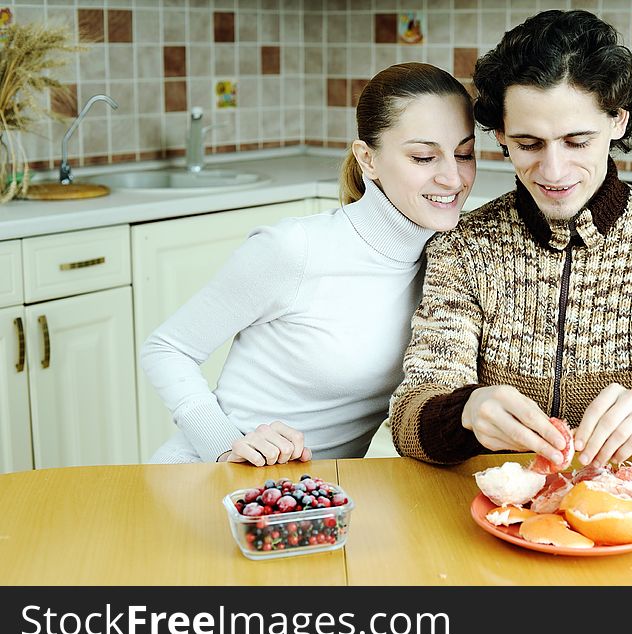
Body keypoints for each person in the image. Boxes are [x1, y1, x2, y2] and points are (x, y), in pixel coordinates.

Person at [388, 10, 632, 482]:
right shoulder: (464, 246)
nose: (554, 171)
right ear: (500, 135)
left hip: (629, 518)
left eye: (577, 141)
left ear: (618, 121)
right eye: (528, 144)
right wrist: (464, 411)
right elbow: (408, 417)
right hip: (495, 518)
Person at [141, 62, 476, 466]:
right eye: (424, 157)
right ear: (367, 160)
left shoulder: (452, 263)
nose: (453, 178)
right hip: (214, 477)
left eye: (464, 153)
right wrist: (225, 444)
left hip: (320, 498)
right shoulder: (295, 249)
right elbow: (167, 348)